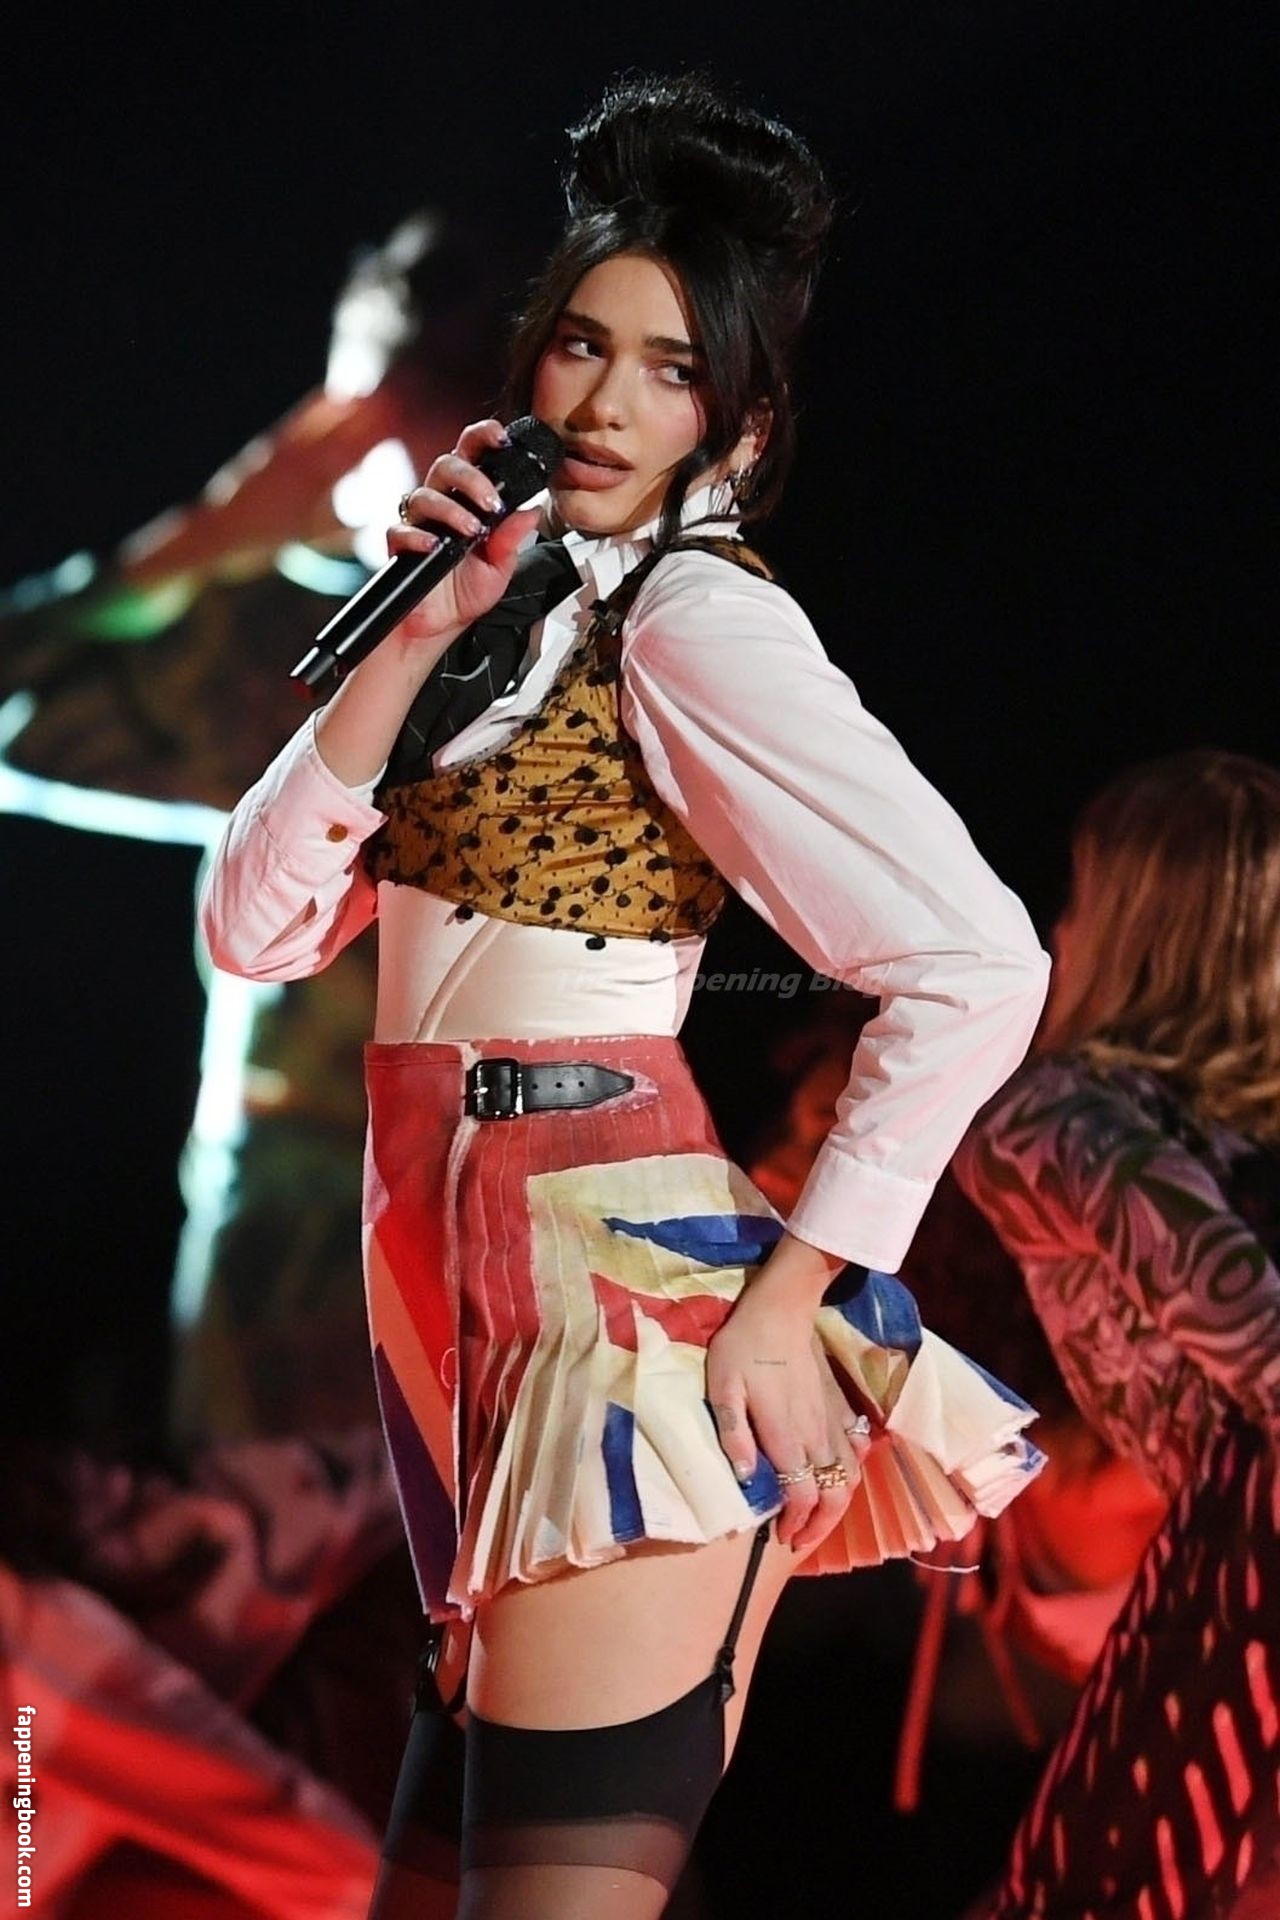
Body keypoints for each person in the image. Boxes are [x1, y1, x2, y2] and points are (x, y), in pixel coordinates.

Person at [200, 72, 1050, 1919]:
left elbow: (981, 963)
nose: (602, 406)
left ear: (736, 418)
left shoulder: (694, 616)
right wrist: (414, 631)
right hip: (457, 1294)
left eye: (669, 370)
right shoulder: (501, 612)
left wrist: (793, 1300)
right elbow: (253, 931)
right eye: (582, 346)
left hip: (614, 1303)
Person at [953, 749, 1280, 1918]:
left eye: (1080, 893)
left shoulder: (1051, 1117)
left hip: (1243, 1598)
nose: (1057, 929)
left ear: (1137, 926)